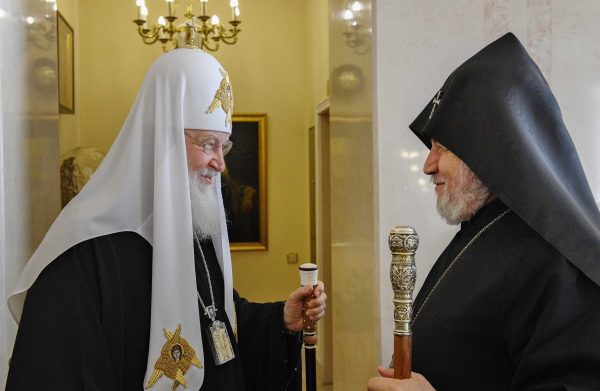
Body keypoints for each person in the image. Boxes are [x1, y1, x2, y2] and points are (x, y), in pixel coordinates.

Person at [6, 48, 326, 391]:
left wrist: (279, 319)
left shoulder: (192, 229)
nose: (220, 163)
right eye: (208, 144)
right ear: (164, 140)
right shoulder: (83, 254)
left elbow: (217, 318)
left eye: (224, 146)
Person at [368, 33, 600, 390]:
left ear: (488, 152)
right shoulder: (481, 229)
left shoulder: (559, 263)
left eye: (441, 147)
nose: (428, 166)